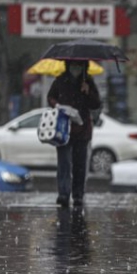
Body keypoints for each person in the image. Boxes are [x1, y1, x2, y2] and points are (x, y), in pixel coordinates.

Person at [47, 59, 102, 208]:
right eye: (73, 64)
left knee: (80, 165)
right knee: (64, 163)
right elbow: (50, 97)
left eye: (79, 65)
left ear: (84, 66)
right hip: (63, 128)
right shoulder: (60, 80)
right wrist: (57, 105)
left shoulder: (88, 81)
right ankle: (63, 194)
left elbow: (96, 104)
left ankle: (78, 195)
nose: (76, 68)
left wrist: (88, 92)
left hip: (82, 130)